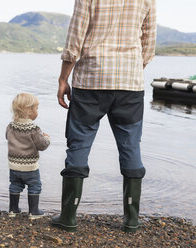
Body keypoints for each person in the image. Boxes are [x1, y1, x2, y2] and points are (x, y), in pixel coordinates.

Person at [51, 0, 157, 232]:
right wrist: (132, 69)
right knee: (131, 146)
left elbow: (74, 39)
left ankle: (68, 217)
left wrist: (63, 79)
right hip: (130, 83)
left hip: (91, 79)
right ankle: (131, 219)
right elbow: (149, 43)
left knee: (78, 145)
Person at [6, 93, 50, 219]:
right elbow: (42, 145)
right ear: (29, 111)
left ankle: (13, 210)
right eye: (36, 109)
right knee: (34, 186)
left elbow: (7, 137)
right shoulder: (34, 128)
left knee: (15, 185)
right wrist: (47, 138)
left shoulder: (10, 126)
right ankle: (33, 211)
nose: (37, 111)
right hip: (30, 167)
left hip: (14, 165)